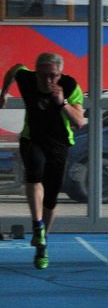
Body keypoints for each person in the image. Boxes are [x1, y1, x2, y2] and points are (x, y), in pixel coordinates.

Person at [0, 52, 87, 269]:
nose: (48, 81)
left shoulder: (69, 85)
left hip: (59, 143)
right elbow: (14, 69)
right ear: (36, 72)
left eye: (53, 76)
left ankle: (42, 243)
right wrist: (4, 94)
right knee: (34, 175)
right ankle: (37, 224)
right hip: (33, 138)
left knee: (51, 199)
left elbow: (79, 122)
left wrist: (63, 103)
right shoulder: (26, 78)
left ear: (60, 74)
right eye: (43, 75)